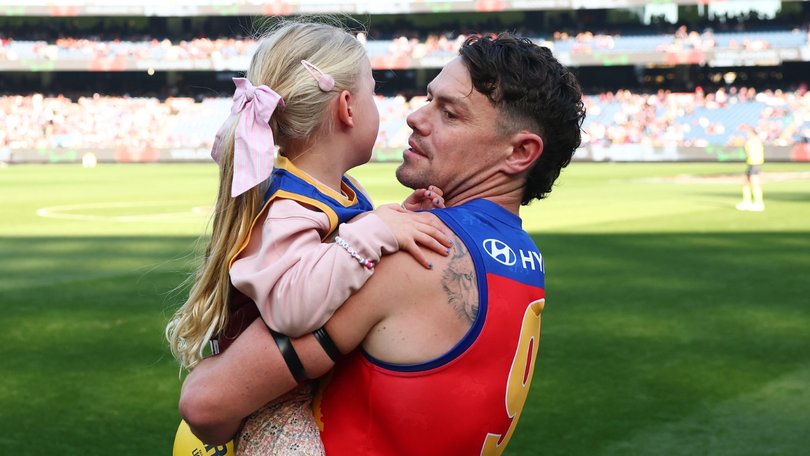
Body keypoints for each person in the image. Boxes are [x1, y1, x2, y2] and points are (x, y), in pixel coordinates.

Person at [178, 32, 585, 455]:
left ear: (519, 153)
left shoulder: (414, 255)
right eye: (429, 99)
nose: (416, 117)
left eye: (450, 113)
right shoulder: (524, 260)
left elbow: (206, 404)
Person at [165, 21, 453, 455]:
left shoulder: (336, 191)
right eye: (373, 94)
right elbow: (292, 309)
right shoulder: (288, 206)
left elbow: (346, 252)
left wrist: (400, 218)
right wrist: (375, 231)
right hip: (274, 406)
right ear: (348, 108)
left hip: (311, 381)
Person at [736, 126, 765, 211]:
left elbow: (752, 151)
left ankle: (759, 203)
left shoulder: (754, 141)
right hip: (751, 163)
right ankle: (747, 201)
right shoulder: (751, 141)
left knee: (754, 182)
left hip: (755, 163)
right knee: (745, 182)